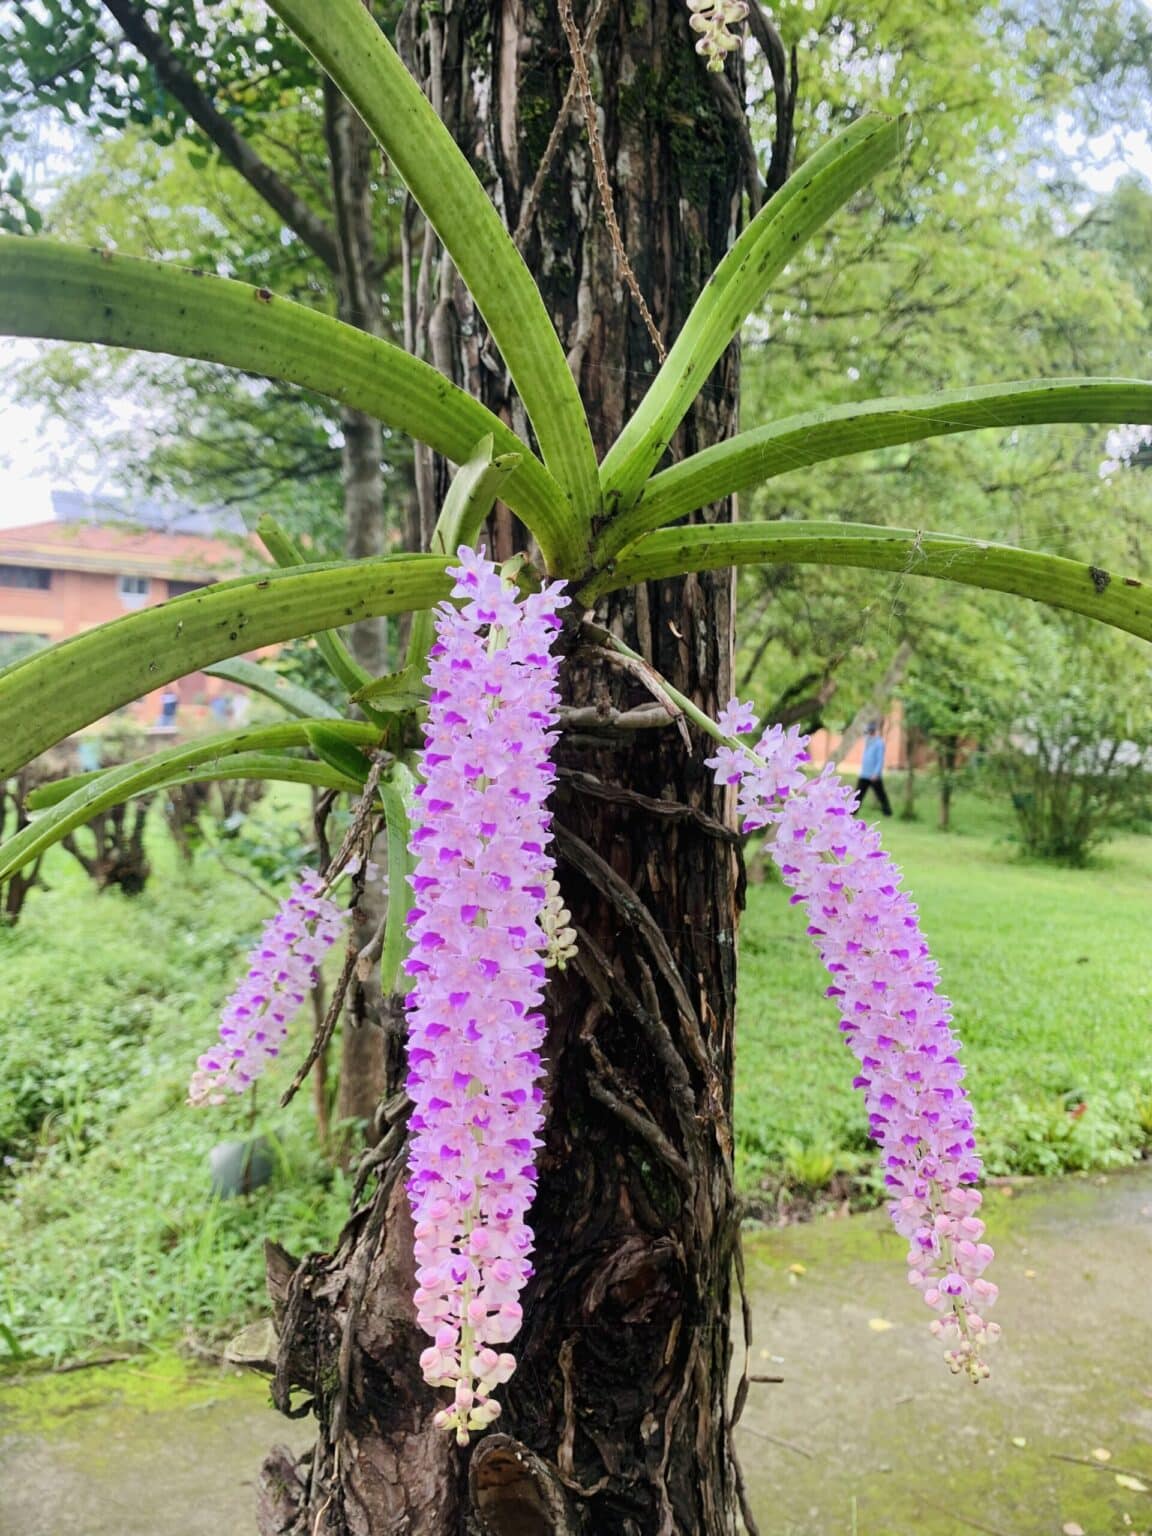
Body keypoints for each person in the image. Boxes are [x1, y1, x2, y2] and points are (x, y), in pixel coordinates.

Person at [856, 721, 892, 816]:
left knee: (881, 794)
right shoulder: (867, 741)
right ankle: (852, 811)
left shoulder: (879, 743)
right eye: (869, 730)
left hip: (874, 775)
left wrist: (876, 773)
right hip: (864, 774)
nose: (870, 733)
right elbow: (862, 732)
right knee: (859, 794)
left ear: (875, 731)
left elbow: (880, 759)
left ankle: (887, 812)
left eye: (871, 731)